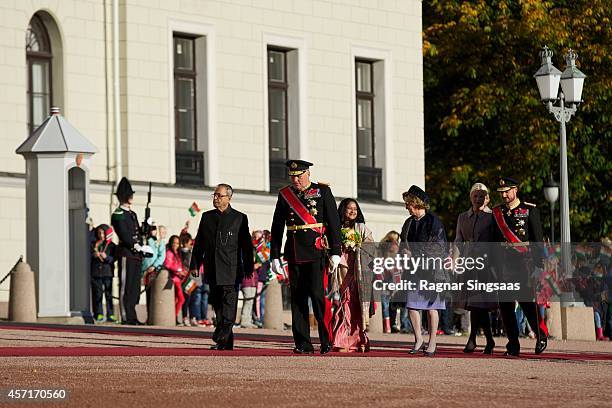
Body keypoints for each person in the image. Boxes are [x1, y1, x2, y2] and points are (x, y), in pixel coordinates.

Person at [270, 160, 342, 355]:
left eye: (299, 176)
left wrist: (336, 251)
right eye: (292, 176)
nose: (296, 180)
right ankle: (303, 343)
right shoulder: (285, 195)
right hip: (293, 252)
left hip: (316, 252)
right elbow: (277, 227)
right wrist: (274, 255)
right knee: (297, 300)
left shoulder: (323, 192)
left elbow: (334, 223)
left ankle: (326, 340)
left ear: (308, 174)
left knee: (318, 298)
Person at [190, 184, 254, 350]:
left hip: (231, 269)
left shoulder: (239, 218)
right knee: (217, 303)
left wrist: (248, 265)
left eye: (219, 196)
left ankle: (222, 332)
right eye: (214, 195)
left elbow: (246, 245)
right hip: (212, 267)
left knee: (229, 303)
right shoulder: (207, 217)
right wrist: (195, 263)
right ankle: (225, 342)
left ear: (229, 198)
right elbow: (200, 243)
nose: (216, 198)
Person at [492, 177, 548, 356]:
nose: (504, 195)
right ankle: (513, 344)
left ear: (515, 190)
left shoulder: (529, 210)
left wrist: (539, 266)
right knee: (506, 307)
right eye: (501, 192)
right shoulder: (497, 212)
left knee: (527, 304)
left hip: (523, 265)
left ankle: (541, 336)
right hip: (503, 265)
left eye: (507, 191)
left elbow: (538, 241)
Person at [401, 185, 448, 357]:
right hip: (413, 270)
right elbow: (402, 243)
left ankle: (433, 341)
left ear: (416, 203)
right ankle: (418, 339)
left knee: (431, 307)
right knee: (412, 305)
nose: (407, 207)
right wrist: (404, 254)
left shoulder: (433, 221)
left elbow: (438, 247)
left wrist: (413, 252)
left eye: (408, 203)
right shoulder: (408, 223)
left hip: (431, 271)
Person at [453, 182, 497, 354]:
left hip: (486, 264)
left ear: (487, 198)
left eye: (482, 196)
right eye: (475, 195)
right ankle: (487, 340)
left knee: (479, 303)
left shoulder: (492, 216)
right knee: (475, 303)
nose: (478, 199)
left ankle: (474, 339)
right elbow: (458, 239)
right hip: (469, 263)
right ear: (471, 197)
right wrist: (455, 261)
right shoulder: (463, 217)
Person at [330, 198, 374, 352]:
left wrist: (358, 247)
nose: (353, 211)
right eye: (349, 208)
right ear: (343, 210)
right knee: (345, 302)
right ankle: (343, 341)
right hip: (342, 268)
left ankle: (359, 340)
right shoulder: (335, 227)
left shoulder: (362, 228)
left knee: (357, 304)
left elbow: (371, 249)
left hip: (358, 270)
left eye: (355, 208)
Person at [111, 177, 148, 325]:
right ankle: (126, 316)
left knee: (134, 287)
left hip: (136, 255)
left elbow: (138, 231)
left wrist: (147, 228)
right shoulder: (118, 213)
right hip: (127, 253)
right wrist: (135, 245)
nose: (132, 197)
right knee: (126, 286)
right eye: (129, 194)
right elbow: (123, 233)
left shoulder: (133, 214)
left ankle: (133, 315)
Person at [90, 224, 116, 323]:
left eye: (103, 233)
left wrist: (106, 257)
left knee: (109, 295)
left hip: (107, 272)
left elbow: (113, 259)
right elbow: (89, 256)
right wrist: (94, 255)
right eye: (99, 233)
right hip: (96, 272)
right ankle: (98, 313)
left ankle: (110, 314)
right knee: (97, 294)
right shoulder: (94, 244)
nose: (101, 235)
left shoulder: (111, 245)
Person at [142, 224, 166, 324]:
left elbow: (162, 256)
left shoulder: (159, 242)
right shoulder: (145, 240)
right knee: (147, 294)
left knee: (153, 294)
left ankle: (152, 317)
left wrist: (154, 266)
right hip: (144, 271)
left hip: (153, 271)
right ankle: (148, 316)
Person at [164, 235, 187, 322]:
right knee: (181, 298)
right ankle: (175, 316)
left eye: (177, 243)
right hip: (173, 279)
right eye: (174, 243)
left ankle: (174, 316)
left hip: (178, 278)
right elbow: (168, 264)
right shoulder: (169, 253)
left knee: (177, 299)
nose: (175, 245)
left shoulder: (177, 254)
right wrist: (178, 270)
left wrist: (182, 271)